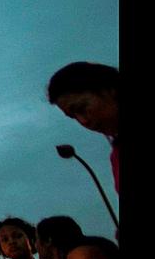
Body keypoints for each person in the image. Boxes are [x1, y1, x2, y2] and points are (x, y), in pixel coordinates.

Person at [47, 62, 120, 195]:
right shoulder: (116, 156)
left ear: (110, 89)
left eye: (82, 108)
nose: (83, 121)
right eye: (73, 117)